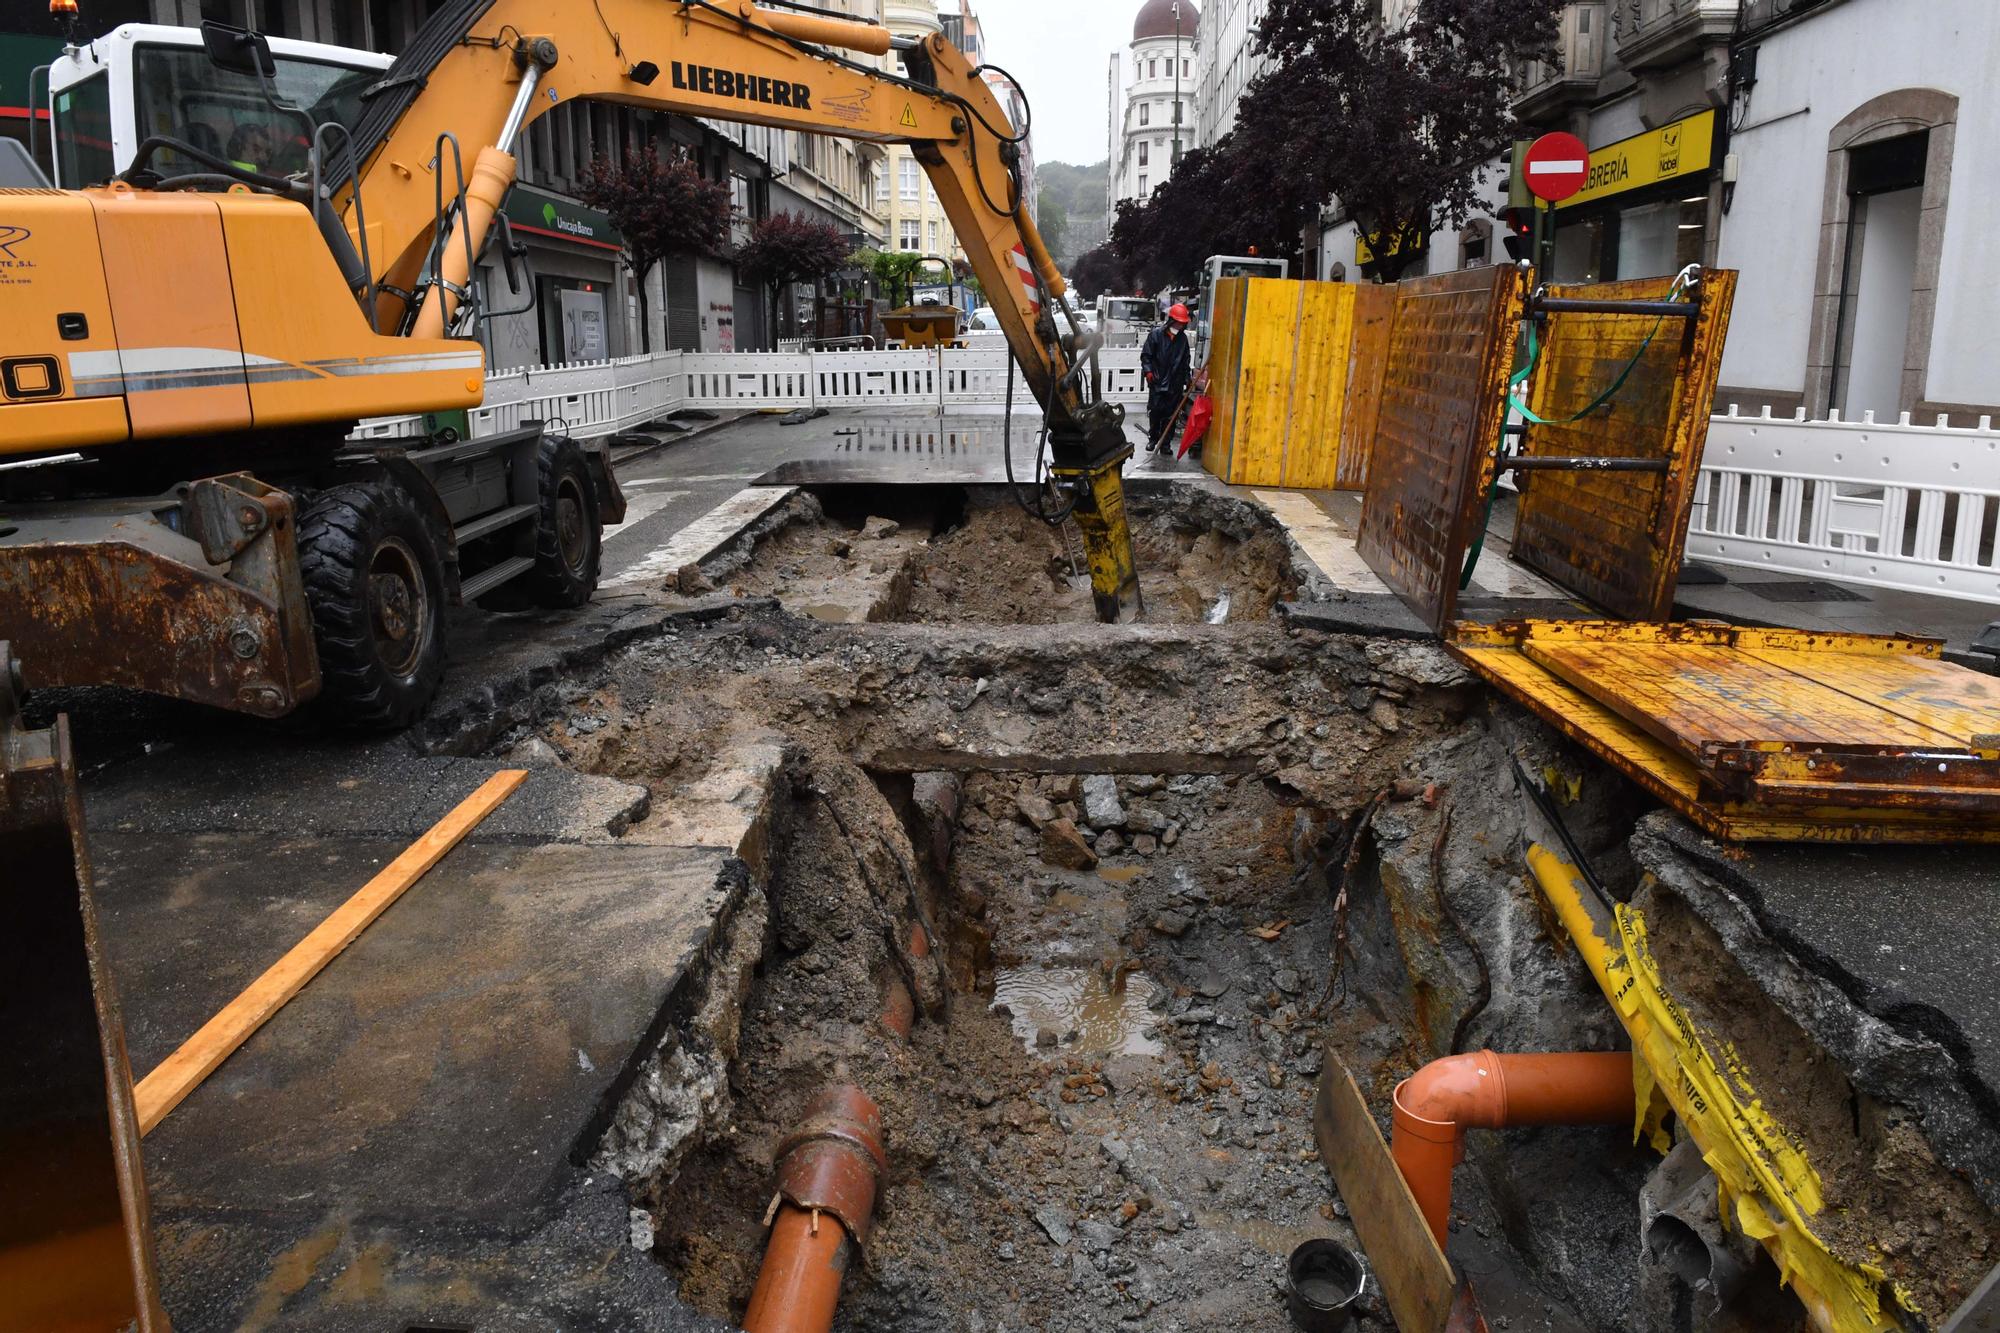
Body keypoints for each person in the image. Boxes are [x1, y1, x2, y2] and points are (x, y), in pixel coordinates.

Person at [1140, 303, 1193, 454]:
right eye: (1178, 322)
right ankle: (1153, 439)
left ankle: (1165, 444)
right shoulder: (1156, 335)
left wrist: (1187, 379)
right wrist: (1149, 371)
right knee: (1156, 412)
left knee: (1171, 415)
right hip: (1157, 381)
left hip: (1174, 384)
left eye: (1182, 323)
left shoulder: (1182, 340)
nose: (1180, 325)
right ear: (1171, 320)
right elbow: (1146, 356)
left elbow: (1185, 361)